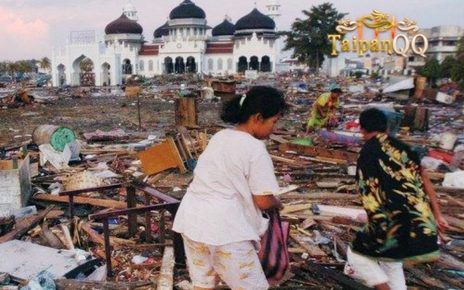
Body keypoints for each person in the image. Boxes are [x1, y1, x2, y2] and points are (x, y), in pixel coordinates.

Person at [173, 86, 286, 290]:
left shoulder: (221, 137)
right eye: (274, 122)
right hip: (226, 230)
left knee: (203, 284)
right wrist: (278, 204)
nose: (274, 129)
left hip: (192, 221)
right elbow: (263, 200)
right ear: (258, 118)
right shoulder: (255, 149)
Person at [344, 108, 449, 290]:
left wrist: (377, 222)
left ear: (362, 128)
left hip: (394, 224)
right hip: (423, 225)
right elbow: (425, 181)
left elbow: (370, 193)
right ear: (385, 127)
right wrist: (438, 215)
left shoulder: (368, 152)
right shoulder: (405, 149)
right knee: (391, 261)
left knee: (356, 255)